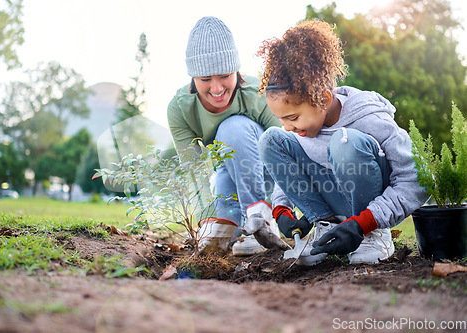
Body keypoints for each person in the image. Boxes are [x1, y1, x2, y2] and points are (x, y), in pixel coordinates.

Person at [255, 19, 428, 265]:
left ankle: (372, 236)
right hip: (333, 207)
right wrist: (281, 209)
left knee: (344, 142)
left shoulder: (370, 118)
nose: (288, 126)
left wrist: (364, 223)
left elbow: (417, 180)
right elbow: (290, 167)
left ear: (324, 100)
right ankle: (326, 227)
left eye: (292, 117)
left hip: (369, 215)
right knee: (270, 139)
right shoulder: (302, 128)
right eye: (281, 118)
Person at [167, 16, 286, 256]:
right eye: (205, 79)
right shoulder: (180, 108)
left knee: (232, 128)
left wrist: (279, 209)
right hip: (226, 169)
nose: (217, 88)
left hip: (262, 169)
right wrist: (206, 221)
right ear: (193, 78)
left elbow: (283, 153)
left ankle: (258, 216)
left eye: (224, 75)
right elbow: (193, 170)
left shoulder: (258, 94)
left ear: (236, 70)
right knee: (222, 232)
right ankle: (240, 227)